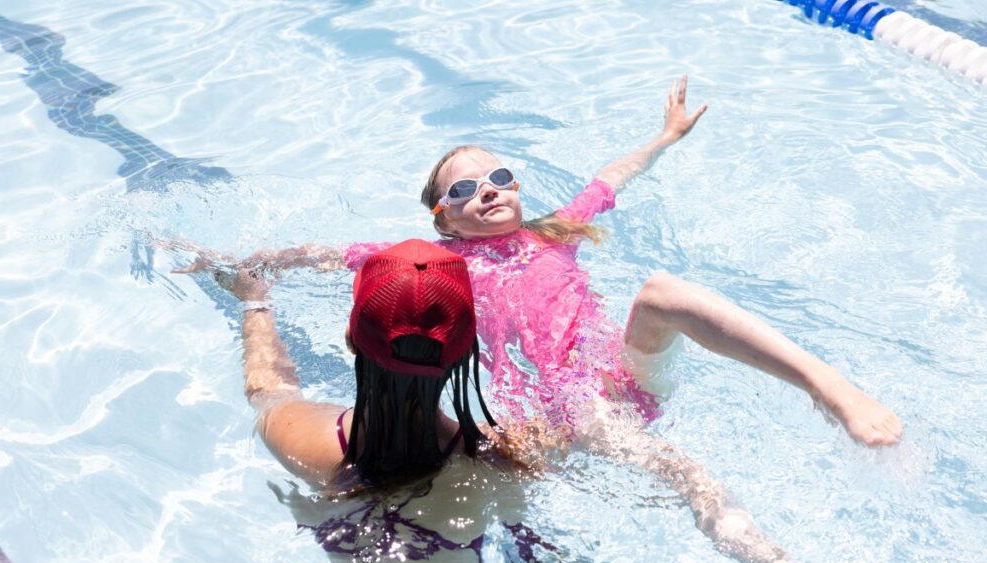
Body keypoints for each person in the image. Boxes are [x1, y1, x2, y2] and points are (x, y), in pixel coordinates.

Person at [230, 76, 902, 448]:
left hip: (616, 382)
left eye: (498, 176)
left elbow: (613, 176)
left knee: (664, 292)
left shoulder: (557, 230)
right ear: (442, 216)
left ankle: (828, 388)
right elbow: (333, 256)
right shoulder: (432, 264)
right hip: (544, 425)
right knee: (693, 490)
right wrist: (247, 268)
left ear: (518, 189)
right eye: (463, 189)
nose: (486, 190)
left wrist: (663, 138)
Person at [173, 238, 827, 563]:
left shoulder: (305, 439)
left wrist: (257, 303)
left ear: (354, 341)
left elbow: (267, 385)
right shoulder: (505, 452)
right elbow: (653, 461)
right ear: (465, 353)